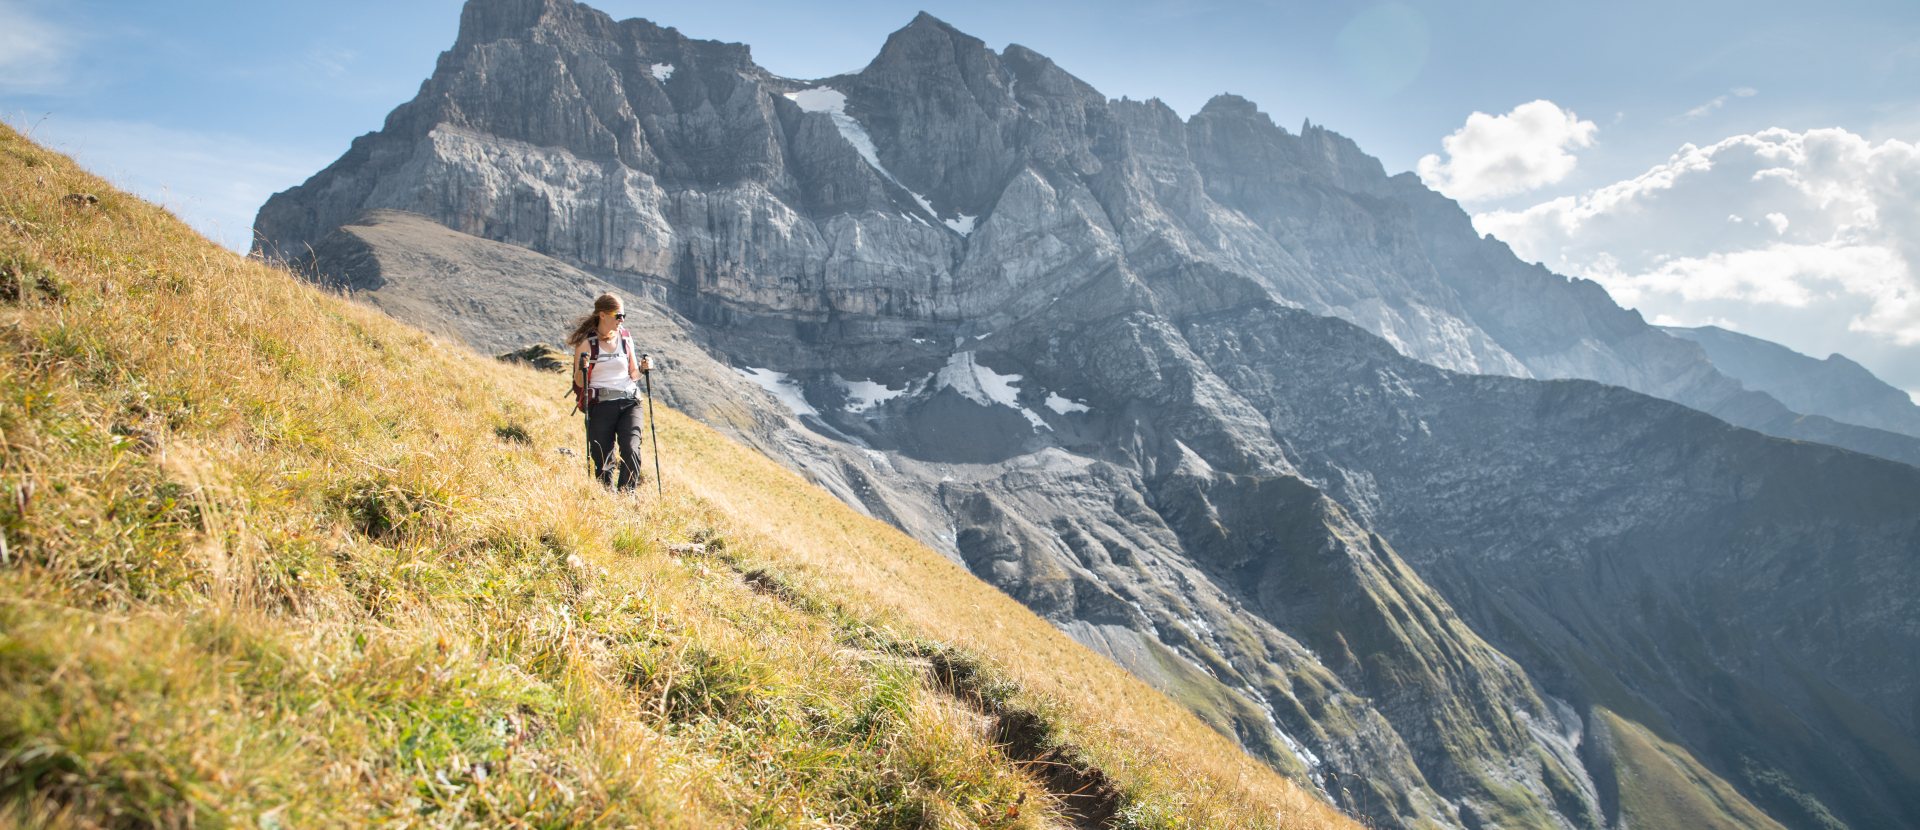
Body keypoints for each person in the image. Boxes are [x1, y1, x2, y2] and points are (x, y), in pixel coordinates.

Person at [566, 293, 652, 491]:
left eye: (624, 315)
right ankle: (606, 495)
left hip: (630, 401)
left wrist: (643, 368)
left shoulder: (626, 338)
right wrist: (583, 367)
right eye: (618, 315)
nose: (621, 320)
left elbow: (633, 374)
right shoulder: (586, 343)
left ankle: (626, 495)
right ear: (603, 315)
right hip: (601, 404)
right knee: (602, 457)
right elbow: (579, 380)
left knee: (631, 448)